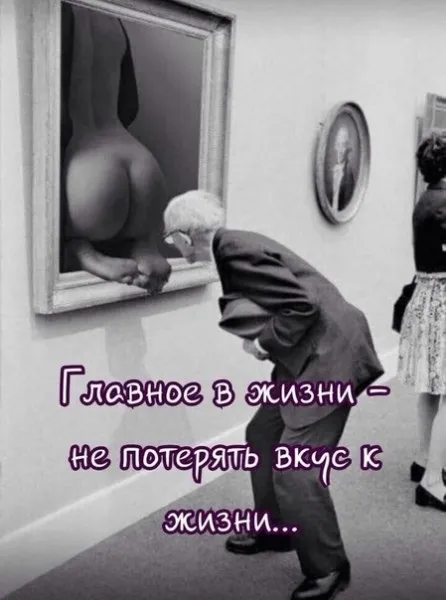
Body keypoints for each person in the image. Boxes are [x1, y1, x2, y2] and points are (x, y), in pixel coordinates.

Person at [163, 190, 384, 600]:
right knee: (262, 435)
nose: (172, 245)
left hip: (330, 357)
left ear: (183, 235)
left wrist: (263, 342)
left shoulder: (234, 251)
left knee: (296, 468)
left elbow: (302, 305)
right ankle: (276, 529)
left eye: (169, 238)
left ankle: (330, 568)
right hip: (305, 354)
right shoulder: (231, 246)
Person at [61, 4, 171, 294]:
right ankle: (143, 243)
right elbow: (129, 105)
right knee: (139, 232)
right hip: (142, 162)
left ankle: (77, 249)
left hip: (88, 159)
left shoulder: (55, 10)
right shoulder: (114, 18)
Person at [398, 131, 446, 511]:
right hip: (443, 299)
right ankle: (432, 481)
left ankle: (423, 458)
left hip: (428, 296)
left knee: (431, 386)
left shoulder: (426, 199)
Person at [326, 125, 356, 213]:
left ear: (348, 149)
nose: (340, 150)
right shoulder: (333, 170)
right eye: (338, 145)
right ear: (335, 146)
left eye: (343, 146)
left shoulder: (349, 175)